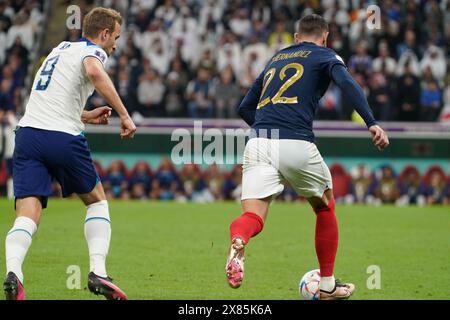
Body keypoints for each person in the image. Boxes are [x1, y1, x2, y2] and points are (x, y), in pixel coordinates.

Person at [225, 14, 389, 300]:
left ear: (296, 37)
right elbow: (348, 85)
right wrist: (371, 121)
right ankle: (327, 285)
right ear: (325, 37)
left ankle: (238, 241)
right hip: (295, 140)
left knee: (253, 216)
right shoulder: (326, 55)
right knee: (324, 206)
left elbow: (244, 107)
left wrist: (268, 129)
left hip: (259, 141)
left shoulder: (276, 59)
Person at [3, 7, 137, 300]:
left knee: (27, 215)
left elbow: (55, 96)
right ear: (103, 34)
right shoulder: (94, 52)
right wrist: (125, 115)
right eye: (115, 37)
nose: (115, 44)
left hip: (27, 136)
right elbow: (92, 70)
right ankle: (98, 272)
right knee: (97, 202)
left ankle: (14, 273)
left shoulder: (59, 49)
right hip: (62, 137)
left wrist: (86, 115)